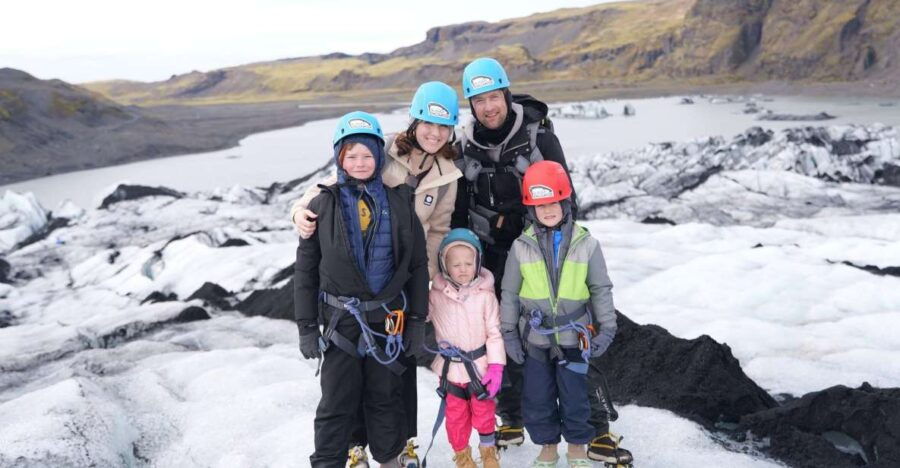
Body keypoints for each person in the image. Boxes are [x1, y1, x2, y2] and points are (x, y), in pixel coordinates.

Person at [451, 57, 630, 464]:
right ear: (471, 105)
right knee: (504, 331)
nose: (488, 107)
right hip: (491, 255)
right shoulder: (464, 145)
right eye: (478, 101)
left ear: (506, 95)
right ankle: (512, 414)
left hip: (544, 248)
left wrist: (562, 248)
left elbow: (564, 192)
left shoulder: (537, 136)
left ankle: (597, 427)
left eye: (493, 97)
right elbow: (459, 204)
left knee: (573, 327)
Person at [292, 82, 462, 468]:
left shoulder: (447, 174)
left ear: (451, 131)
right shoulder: (378, 147)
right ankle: (352, 449)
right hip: (351, 296)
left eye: (443, 127)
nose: (434, 133)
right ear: (414, 121)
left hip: (394, 292)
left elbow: (436, 231)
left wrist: (420, 301)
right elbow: (332, 187)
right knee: (341, 391)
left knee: (388, 390)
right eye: (428, 124)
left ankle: (394, 450)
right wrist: (299, 212)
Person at [500, 161, 617, 468]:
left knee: (575, 396)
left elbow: (600, 287)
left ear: (565, 202)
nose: (547, 210)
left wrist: (606, 327)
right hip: (535, 338)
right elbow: (510, 293)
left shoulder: (587, 244)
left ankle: (577, 446)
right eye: (540, 205)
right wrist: (509, 332)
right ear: (530, 209)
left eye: (553, 202)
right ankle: (548, 446)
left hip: (574, 336)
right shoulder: (520, 247)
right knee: (537, 396)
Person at [426, 228, 505, 468]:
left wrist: (496, 366)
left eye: (468, 263)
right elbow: (421, 315)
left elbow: (494, 334)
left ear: (478, 263)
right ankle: (463, 457)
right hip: (451, 370)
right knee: (456, 418)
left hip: (480, 368)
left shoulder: (486, 296)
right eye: (456, 264)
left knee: (484, 413)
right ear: (444, 265)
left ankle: (488, 452)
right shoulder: (435, 295)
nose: (462, 269)